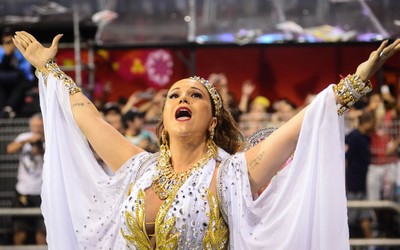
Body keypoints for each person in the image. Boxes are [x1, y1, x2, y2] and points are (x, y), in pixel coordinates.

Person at [12, 31, 400, 249]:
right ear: (163, 119)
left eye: (195, 95)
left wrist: (355, 83)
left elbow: (301, 125)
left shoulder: (231, 174)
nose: (182, 98)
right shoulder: (137, 167)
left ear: (212, 120)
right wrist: (48, 68)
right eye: (174, 95)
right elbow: (87, 117)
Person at [6, 113, 46, 245]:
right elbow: (9, 149)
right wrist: (26, 141)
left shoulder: (49, 138)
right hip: (23, 190)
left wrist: (40, 146)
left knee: (42, 232)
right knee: (19, 230)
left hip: (42, 191)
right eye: (34, 126)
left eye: (39, 126)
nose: (36, 129)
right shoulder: (24, 137)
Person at [345, 111, 375, 238]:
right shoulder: (354, 137)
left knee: (365, 217)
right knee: (348, 221)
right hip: (352, 185)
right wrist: (344, 183)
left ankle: (371, 246)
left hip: (362, 185)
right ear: (367, 122)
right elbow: (345, 160)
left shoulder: (365, 137)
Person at [0, 27, 35, 118]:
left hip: (20, 79)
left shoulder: (22, 50)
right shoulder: (1, 51)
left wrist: (13, 53)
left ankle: (8, 109)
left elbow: (26, 71)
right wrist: (7, 55)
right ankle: (5, 110)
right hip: (4, 79)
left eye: (11, 41)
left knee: (20, 85)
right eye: (6, 41)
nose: (9, 44)